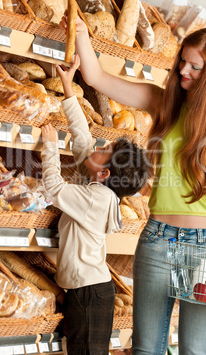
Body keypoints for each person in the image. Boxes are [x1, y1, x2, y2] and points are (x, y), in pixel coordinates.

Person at [60, 15, 206, 355]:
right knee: (145, 349)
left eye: (195, 67)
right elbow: (96, 77)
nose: (183, 71)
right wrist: (80, 32)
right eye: (182, 62)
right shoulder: (164, 102)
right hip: (158, 239)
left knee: (196, 350)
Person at [41, 54, 149, 355]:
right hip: (90, 291)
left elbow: (54, 187)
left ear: (104, 173)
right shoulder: (103, 189)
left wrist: (49, 145)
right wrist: (68, 88)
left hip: (89, 295)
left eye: (104, 150)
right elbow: (83, 140)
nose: (97, 147)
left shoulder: (96, 198)